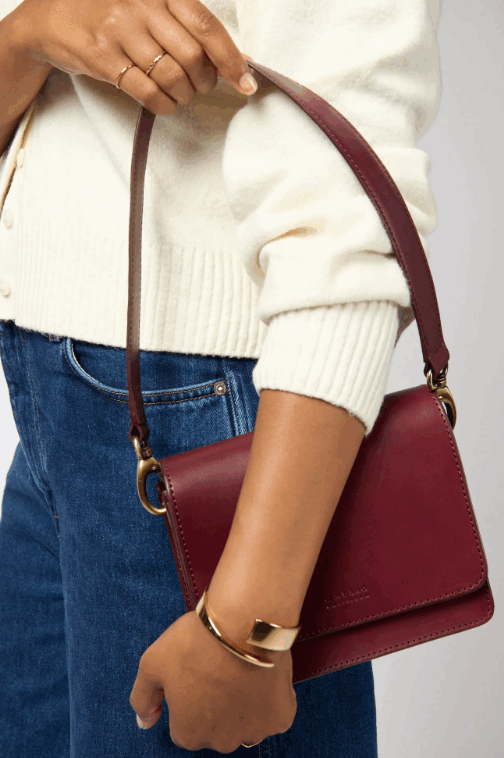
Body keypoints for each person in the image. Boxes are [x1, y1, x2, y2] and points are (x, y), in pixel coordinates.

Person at [0, 0, 442, 755]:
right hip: (53, 407)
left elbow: (348, 219)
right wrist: (29, 34)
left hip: (209, 425)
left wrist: (247, 630)